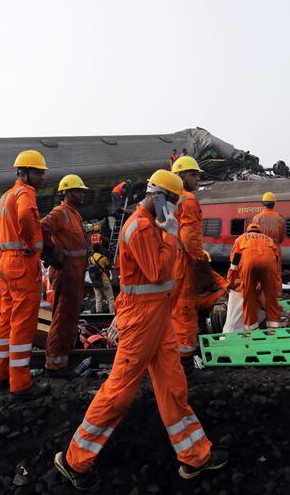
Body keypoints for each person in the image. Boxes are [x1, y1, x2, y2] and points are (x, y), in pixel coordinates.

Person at [53, 169, 227, 491]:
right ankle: (75, 460)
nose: (176, 208)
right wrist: (173, 235)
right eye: (173, 201)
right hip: (141, 321)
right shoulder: (141, 228)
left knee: (173, 385)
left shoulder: (154, 228)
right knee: (119, 392)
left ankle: (195, 455)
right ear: (158, 197)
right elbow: (159, 270)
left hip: (158, 318)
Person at [0, 149, 49, 398]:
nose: (42, 177)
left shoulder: (6, 195)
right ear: (23, 172)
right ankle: (20, 384)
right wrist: (29, 244)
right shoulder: (25, 192)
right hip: (23, 264)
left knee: (7, 319)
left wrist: (3, 248)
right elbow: (25, 215)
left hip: (8, 264)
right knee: (23, 322)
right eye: (38, 172)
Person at [41, 174, 90, 376]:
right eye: (78, 191)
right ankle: (54, 364)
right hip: (67, 271)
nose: (82, 194)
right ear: (66, 193)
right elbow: (42, 227)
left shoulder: (74, 214)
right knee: (62, 317)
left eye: (82, 191)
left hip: (75, 272)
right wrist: (53, 252)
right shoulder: (60, 213)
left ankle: (64, 358)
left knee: (70, 316)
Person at [171, 156, 208, 376]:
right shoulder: (189, 199)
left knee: (175, 307)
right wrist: (200, 263)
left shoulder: (172, 200)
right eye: (194, 174)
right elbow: (190, 237)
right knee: (186, 307)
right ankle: (185, 358)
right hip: (185, 260)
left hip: (173, 258)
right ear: (181, 176)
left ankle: (175, 350)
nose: (198, 178)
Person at [227, 223, 282, 330]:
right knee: (271, 297)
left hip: (249, 264)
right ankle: (274, 330)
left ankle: (252, 330)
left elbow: (234, 263)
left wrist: (230, 282)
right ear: (260, 232)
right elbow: (276, 259)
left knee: (248, 298)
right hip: (269, 265)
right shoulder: (269, 239)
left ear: (248, 231)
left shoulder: (240, 239)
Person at [251, 192, 285, 291]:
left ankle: (261, 294)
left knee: (260, 272)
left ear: (263, 203)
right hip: (275, 250)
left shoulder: (257, 218)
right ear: (274, 203)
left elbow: (253, 236)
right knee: (276, 273)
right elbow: (282, 237)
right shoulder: (280, 218)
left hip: (260, 250)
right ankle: (277, 295)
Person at [89, 245, 115, 314]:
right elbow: (109, 266)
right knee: (110, 299)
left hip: (95, 281)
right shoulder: (103, 258)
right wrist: (110, 257)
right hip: (104, 280)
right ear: (100, 249)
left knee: (98, 299)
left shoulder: (91, 258)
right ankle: (112, 312)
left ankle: (98, 313)